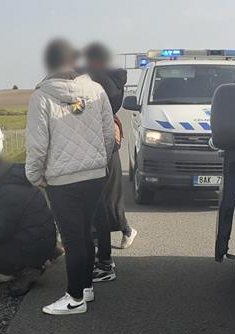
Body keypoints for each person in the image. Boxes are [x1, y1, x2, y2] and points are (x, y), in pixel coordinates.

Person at [26, 39, 115, 315]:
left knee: (73, 238)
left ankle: (74, 297)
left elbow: (37, 145)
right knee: (86, 232)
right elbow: (108, 135)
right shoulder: (96, 89)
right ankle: (86, 287)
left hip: (62, 179)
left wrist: (35, 176)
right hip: (95, 175)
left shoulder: (42, 96)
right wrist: (100, 162)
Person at [82, 42, 137, 287]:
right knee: (104, 201)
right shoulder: (106, 78)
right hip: (99, 144)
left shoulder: (103, 81)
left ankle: (108, 252)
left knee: (105, 201)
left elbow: (106, 104)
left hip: (103, 145)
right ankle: (103, 254)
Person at [0, 153, 58, 295]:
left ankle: (26, 270)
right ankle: (37, 261)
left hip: (34, 246)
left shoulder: (7, 191)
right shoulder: (17, 180)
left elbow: (1, 232)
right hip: (43, 240)